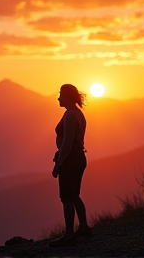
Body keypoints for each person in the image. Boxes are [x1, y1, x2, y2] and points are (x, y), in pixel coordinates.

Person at [49, 84, 92, 247]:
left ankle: (69, 235)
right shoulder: (78, 114)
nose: (58, 98)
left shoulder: (69, 116)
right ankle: (84, 227)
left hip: (71, 160)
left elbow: (67, 143)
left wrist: (59, 163)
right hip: (79, 158)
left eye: (61, 95)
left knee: (66, 197)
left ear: (68, 97)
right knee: (74, 195)